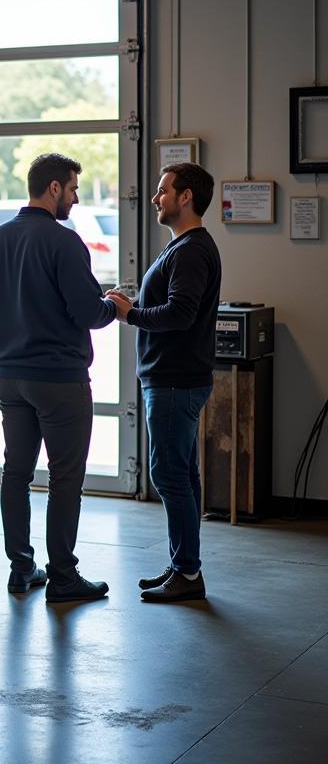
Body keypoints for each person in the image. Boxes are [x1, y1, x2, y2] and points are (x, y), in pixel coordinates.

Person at [0, 153, 118, 603]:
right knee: (64, 478)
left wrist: (5, 353)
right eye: (73, 189)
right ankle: (62, 577)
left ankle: (21, 569)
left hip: (11, 377)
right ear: (53, 188)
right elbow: (89, 312)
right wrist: (115, 304)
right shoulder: (64, 242)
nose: (76, 198)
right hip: (60, 381)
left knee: (15, 472)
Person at [106, 162, 221, 603]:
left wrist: (129, 313)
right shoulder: (184, 246)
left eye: (162, 191)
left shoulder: (190, 250)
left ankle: (187, 573)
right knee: (182, 475)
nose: (155, 198)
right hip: (176, 380)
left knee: (169, 475)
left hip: (174, 382)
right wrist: (134, 305)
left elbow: (180, 313)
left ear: (185, 196)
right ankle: (183, 567)